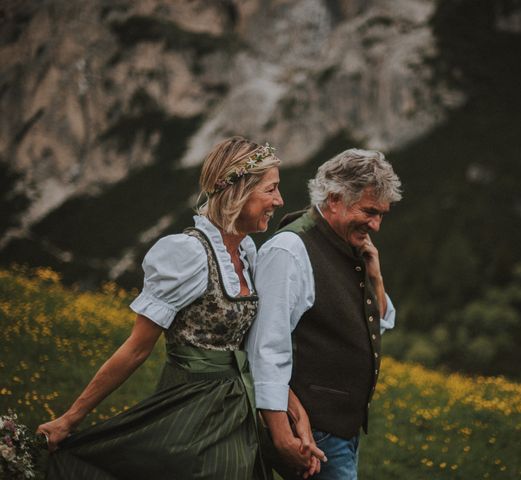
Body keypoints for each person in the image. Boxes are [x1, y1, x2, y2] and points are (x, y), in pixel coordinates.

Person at [37, 136, 322, 479]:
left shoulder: (247, 253)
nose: (279, 200)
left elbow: (253, 348)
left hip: (238, 413)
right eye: (270, 190)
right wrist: (70, 418)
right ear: (238, 191)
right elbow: (136, 349)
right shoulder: (187, 254)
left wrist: (293, 410)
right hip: (190, 411)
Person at [247, 148, 402, 479]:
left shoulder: (347, 244)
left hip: (340, 430)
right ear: (334, 199)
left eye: (382, 214)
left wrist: (375, 276)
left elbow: (377, 324)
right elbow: (265, 350)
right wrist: (282, 436)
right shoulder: (289, 251)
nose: (376, 224)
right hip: (312, 433)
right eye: (369, 211)